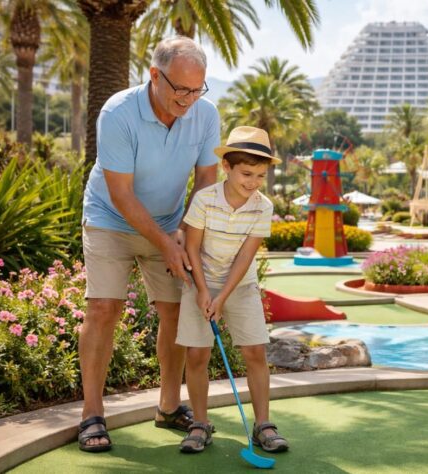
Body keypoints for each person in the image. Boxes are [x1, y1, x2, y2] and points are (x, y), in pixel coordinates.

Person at [77, 36, 219, 452]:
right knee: (104, 307)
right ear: (155, 76)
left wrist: (185, 235)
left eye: (198, 89)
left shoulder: (205, 114)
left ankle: (170, 406)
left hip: (170, 222)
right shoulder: (118, 113)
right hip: (110, 218)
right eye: (181, 89)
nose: (190, 99)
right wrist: (164, 241)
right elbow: (121, 194)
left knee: (174, 310)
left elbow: (207, 181)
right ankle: (91, 413)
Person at [177, 126, 288, 454]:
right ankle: (200, 423)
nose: (253, 182)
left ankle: (263, 425)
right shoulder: (205, 199)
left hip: (240, 284)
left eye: (260, 175)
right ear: (226, 167)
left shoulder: (262, 206)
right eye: (246, 173)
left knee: (255, 351)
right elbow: (192, 248)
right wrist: (202, 291)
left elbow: (245, 256)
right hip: (200, 278)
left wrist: (223, 296)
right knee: (197, 353)